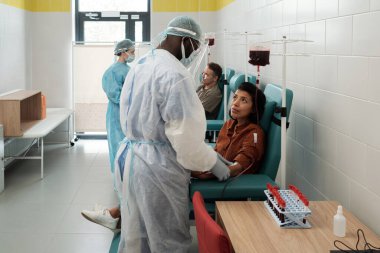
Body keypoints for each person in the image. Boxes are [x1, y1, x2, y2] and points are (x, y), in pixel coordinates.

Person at [113, 16, 230, 252]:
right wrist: (213, 162)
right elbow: (185, 140)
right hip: (158, 168)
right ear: (186, 40)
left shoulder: (142, 64)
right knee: (168, 240)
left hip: (131, 159)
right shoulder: (175, 74)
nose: (194, 54)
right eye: (195, 48)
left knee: (139, 232)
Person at [81, 39, 135, 232]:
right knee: (117, 149)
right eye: (130, 50)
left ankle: (124, 187)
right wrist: (133, 99)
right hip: (116, 116)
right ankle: (120, 186)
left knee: (126, 150)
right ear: (122, 52)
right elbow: (117, 95)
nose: (133, 53)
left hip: (126, 115)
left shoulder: (128, 69)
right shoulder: (112, 72)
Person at [192, 82, 266, 179]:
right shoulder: (229, 124)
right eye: (235, 97)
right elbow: (216, 153)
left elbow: (238, 168)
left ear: (253, 109)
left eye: (243, 100)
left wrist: (198, 172)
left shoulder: (254, 134)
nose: (235, 103)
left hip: (230, 181)